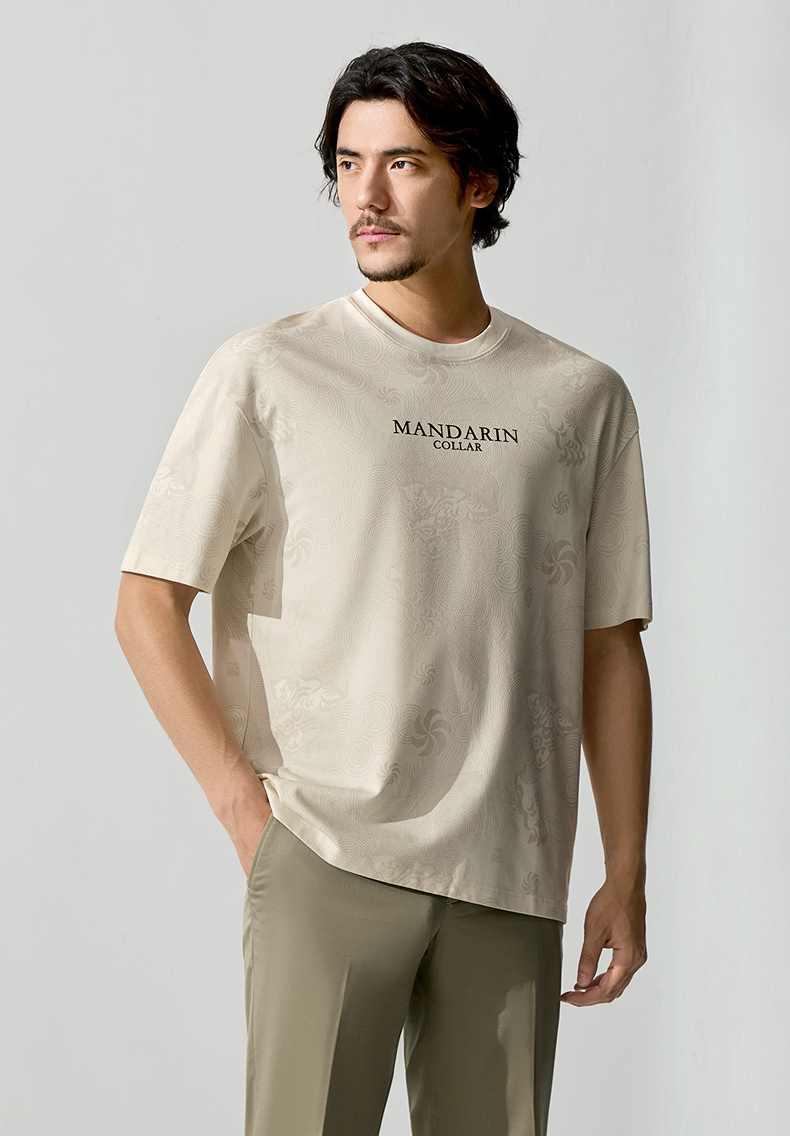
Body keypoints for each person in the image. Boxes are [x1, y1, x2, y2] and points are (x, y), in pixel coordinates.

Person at [115, 40, 653, 1136]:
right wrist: (248, 814)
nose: (364, 195)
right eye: (348, 163)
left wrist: (626, 868)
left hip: (511, 871)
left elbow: (609, 644)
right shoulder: (271, 370)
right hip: (325, 850)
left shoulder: (580, 397)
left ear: (479, 182)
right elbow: (146, 601)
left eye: (403, 163)